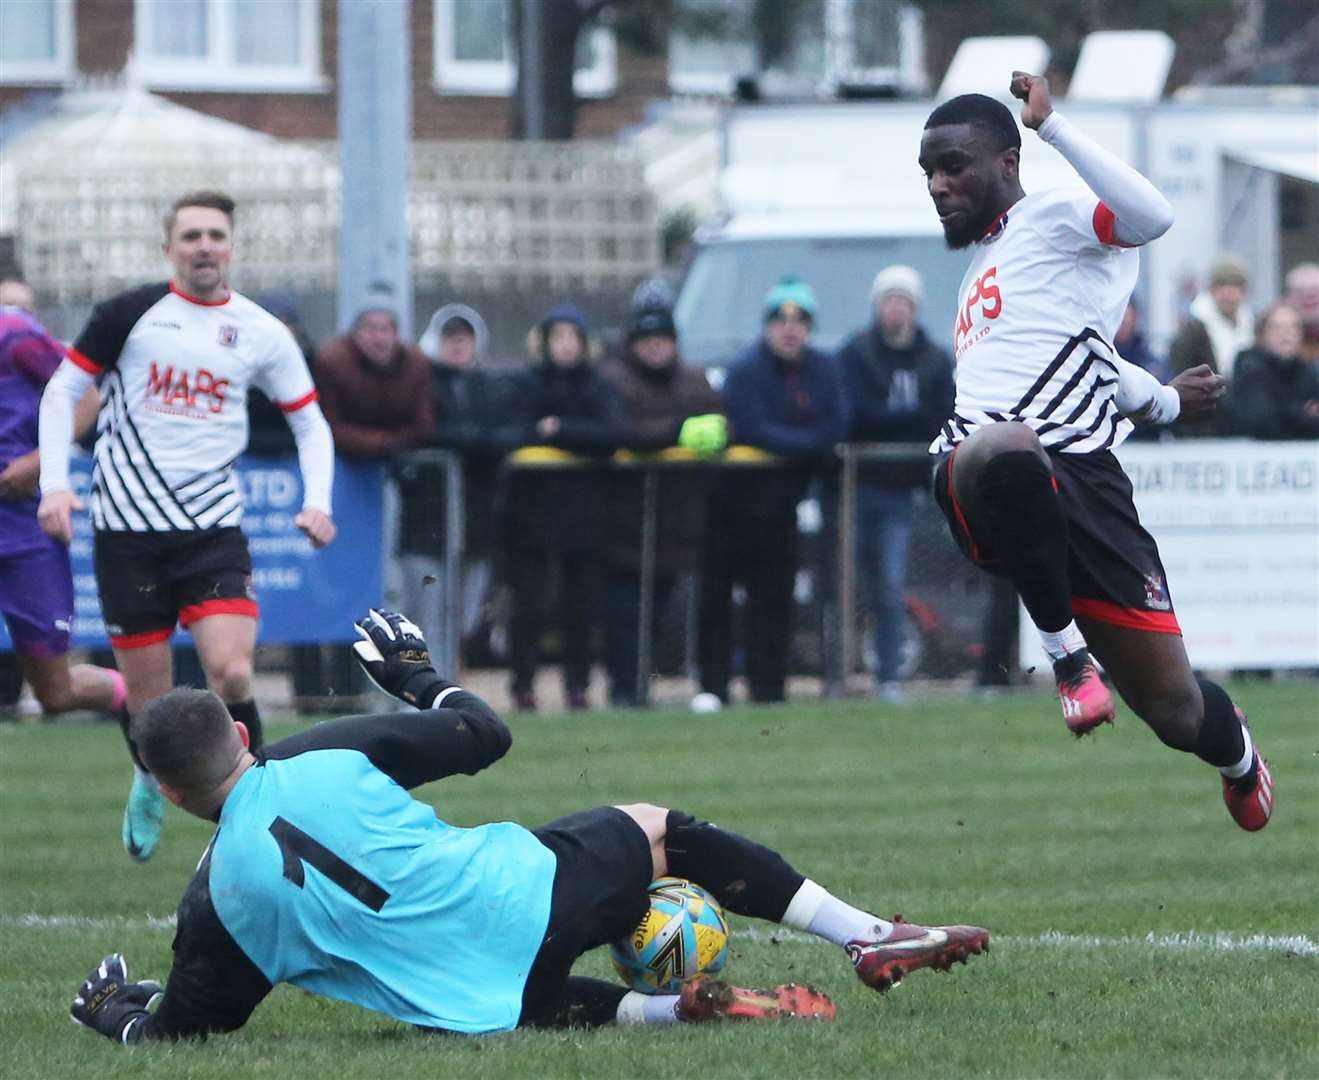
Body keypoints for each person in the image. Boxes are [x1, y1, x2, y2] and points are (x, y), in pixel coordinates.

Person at [68, 607, 989, 1044]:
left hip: (470, 1007)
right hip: (527, 895)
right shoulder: (320, 754)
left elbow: (189, 1030)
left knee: (495, 993)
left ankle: (666, 1012)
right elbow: (485, 732)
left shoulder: (215, 903)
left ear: (175, 797)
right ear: (240, 732)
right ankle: (862, 937)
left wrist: (116, 1015)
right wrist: (419, 676)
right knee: (654, 825)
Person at [918, 74, 1273, 831]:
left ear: (1008, 162)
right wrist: (1166, 399)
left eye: (953, 165)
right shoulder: (980, 268)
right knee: (1006, 446)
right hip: (980, 470)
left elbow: (1149, 219)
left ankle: (1236, 755)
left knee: (1175, 710)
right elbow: (1046, 371)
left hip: (1085, 493)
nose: (939, 185)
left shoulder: (1053, 214)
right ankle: (1067, 658)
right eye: (929, 173)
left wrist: (1055, 127)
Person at [36, 190, 338, 862]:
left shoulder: (260, 330)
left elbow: (309, 420)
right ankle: (148, 776)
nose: (205, 246)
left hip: (210, 528)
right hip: (126, 534)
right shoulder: (129, 314)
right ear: (169, 247)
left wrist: (317, 500)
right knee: (149, 709)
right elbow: (61, 392)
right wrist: (56, 485)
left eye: (216, 235)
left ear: (232, 247)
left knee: (230, 672)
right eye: (192, 235)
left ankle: (258, 819)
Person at [698, 277, 848, 705]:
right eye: (780, 318)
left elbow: (835, 425)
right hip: (730, 506)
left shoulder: (824, 369)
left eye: (799, 319)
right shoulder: (744, 370)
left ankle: (768, 691)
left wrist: (795, 443)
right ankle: (713, 689)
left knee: (773, 604)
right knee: (718, 603)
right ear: (766, 325)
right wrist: (805, 445)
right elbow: (752, 427)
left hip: (780, 508)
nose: (790, 327)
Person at [0, 282, 127, 722]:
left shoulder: (15, 334)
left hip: (21, 525)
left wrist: (37, 463)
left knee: (56, 693)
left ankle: (143, 695)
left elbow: (86, 398)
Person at [599, 296, 727, 707]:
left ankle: (654, 689)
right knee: (625, 616)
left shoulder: (694, 380)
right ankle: (625, 691)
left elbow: (722, 422)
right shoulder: (614, 380)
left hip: (681, 522)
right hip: (624, 524)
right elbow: (623, 432)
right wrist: (678, 431)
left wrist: (715, 432)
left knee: (664, 616)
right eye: (647, 339)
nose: (656, 346)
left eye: (663, 338)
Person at [497, 304, 625, 711]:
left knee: (581, 607)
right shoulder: (526, 383)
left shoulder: (597, 385)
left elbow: (611, 435)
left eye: (574, 338)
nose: (567, 346)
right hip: (530, 515)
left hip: (584, 514)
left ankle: (578, 686)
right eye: (559, 337)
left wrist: (559, 429)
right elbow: (514, 432)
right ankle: (523, 685)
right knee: (529, 605)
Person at [837, 265, 954, 702]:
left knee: (890, 583)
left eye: (903, 300)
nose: (896, 308)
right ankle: (839, 673)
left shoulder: (934, 358)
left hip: (905, 490)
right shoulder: (855, 354)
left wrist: (896, 422)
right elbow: (854, 415)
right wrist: (902, 420)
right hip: (857, 486)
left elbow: (940, 415)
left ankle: (888, 676)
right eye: (889, 299)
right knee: (845, 583)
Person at [413, 303, 524, 665]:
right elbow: (428, 432)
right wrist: (474, 440)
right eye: (449, 338)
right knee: (431, 603)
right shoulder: (424, 385)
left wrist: (471, 441)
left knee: (469, 605)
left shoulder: (491, 386)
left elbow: (507, 434)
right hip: (431, 516)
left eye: (464, 338)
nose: (457, 346)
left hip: (479, 512)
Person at [1167, 255, 1253, 437]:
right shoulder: (1193, 329)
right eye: (1222, 286)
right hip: (1203, 426)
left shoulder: (1250, 324)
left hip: (1237, 423)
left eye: (1235, 287)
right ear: (1212, 290)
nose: (1229, 294)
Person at [1229, 302, 1319, 439]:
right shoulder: (1249, 364)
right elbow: (1261, 420)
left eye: (1293, 327)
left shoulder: (1308, 370)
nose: (1286, 333)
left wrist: (1281, 410)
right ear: (1263, 333)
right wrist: (1302, 413)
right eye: (1277, 327)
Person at [1282, 262, 1319, 363]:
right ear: (1287, 299)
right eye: (1300, 291)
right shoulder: (1270, 343)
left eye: (1315, 291)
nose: (1308, 298)